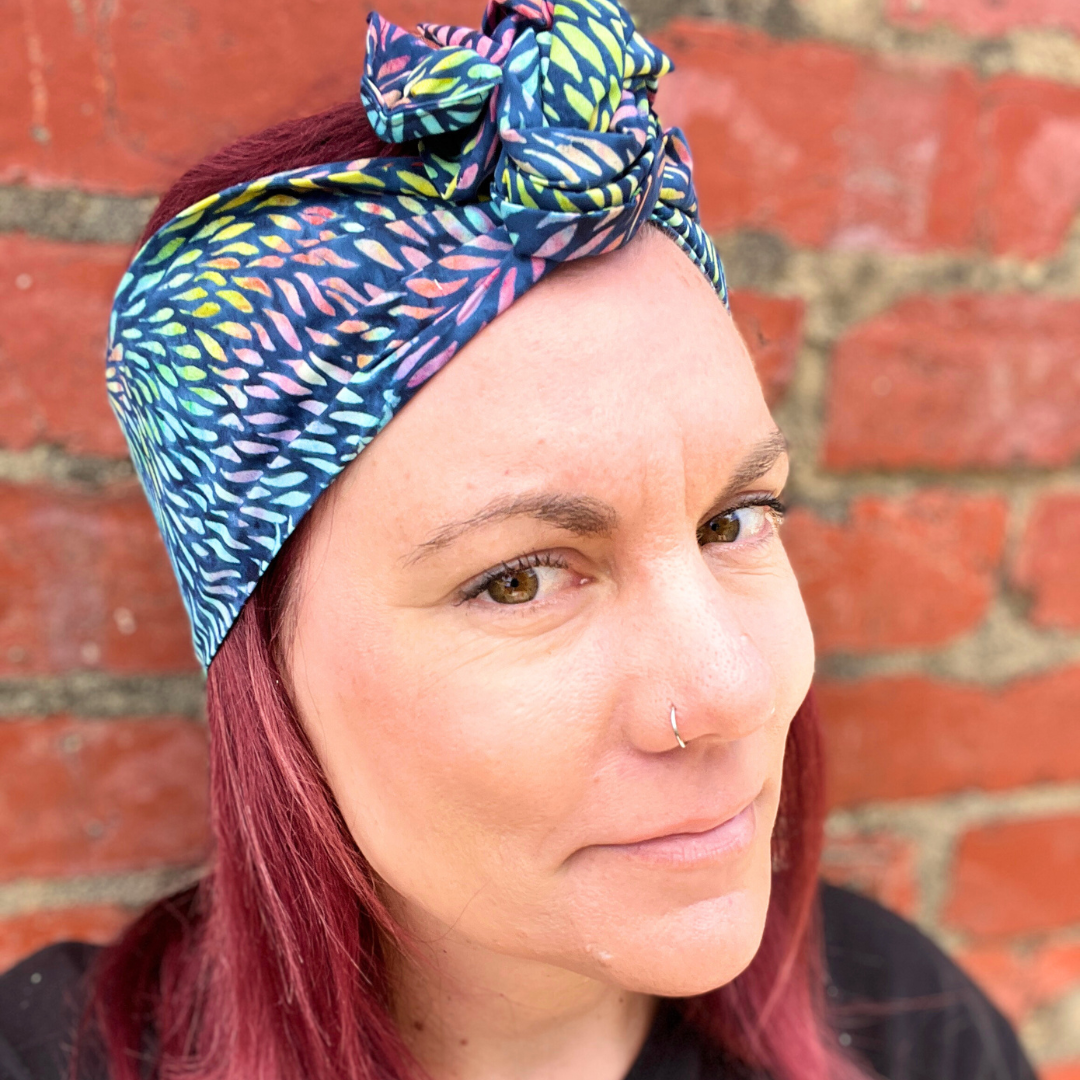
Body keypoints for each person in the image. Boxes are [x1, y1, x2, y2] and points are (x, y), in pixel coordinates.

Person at [0, 1, 1036, 1078]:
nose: (734, 690)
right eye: (520, 580)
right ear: (267, 669)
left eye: (732, 521)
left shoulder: (910, 1029)